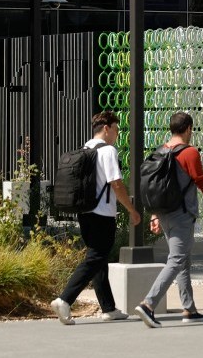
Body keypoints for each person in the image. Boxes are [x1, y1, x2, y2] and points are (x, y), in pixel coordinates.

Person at [50, 111, 141, 325]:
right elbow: (116, 184)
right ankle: (65, 299)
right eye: (117, 129)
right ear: (107, 128)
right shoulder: (107, 151)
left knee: (98, 259)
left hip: (85, 212)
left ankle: (108, 308)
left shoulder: (86, 148)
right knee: (95, 259)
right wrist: (131, 209)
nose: (118, 134)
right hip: (102, 213)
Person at [134, 111, 203, 328]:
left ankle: (189, 308)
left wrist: (154, 214)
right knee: (177, 259)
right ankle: (148, 304)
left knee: (183, 260)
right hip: (181, 214)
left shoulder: (161, 151)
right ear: (188, 129)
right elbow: (201, 181)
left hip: (163, 212)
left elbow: (156, 188)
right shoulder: (189, 152)